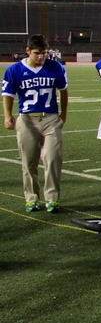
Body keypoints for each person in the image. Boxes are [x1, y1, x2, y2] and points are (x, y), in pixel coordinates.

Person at [2, 34, 68, 213]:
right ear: (28, 51)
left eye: (44, 53)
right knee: (29, 161)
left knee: (53, 158)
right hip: (27, 118)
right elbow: (8, 94)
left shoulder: (55, 67)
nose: (41, 57)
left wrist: (63, 114)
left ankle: (52, 198)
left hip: (50, 118)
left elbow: (63, 90)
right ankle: (31, 198)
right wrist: (7, 115)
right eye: (37, 53)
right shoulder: (14, 70)